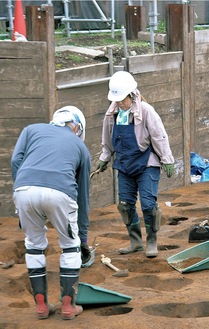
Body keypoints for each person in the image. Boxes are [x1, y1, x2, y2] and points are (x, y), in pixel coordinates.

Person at [11, 106, 91, 320]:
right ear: (76, 128)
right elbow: (82, 197)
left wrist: (23, 195)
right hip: (60, 193)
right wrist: (82, 239)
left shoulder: (31, 130)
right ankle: (68, 306)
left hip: (24, 188)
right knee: (69, 246)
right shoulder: (80, 148)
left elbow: (15, 162)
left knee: (34, 244)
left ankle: (42, 306)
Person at [97, 71, 174, 258]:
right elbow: (107, 139)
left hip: (146, 162)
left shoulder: (146, 111)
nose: (119, 103)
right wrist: (104, 157)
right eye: (117, 100)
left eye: (122, 99)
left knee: (148, 205)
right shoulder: (111, 114)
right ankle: (135, 241)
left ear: (131, 95)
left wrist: (167, 159)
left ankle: (152, 241)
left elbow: (158, 135)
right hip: (124, 164)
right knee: (125, 205)